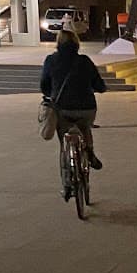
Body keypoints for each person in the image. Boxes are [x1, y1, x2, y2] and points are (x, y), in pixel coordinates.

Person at [40, 29, 105, 177]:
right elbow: (99, 85)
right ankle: (89, 152)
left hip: (62, 108)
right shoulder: (85, 61)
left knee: (63, 135)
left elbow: (44, 85)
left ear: (58, 43)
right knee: (85, 128)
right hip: (86, 108)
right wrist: (99, 88)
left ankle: (67, 171)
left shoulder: (51, 60)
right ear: (77, 43)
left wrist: (51, 94)